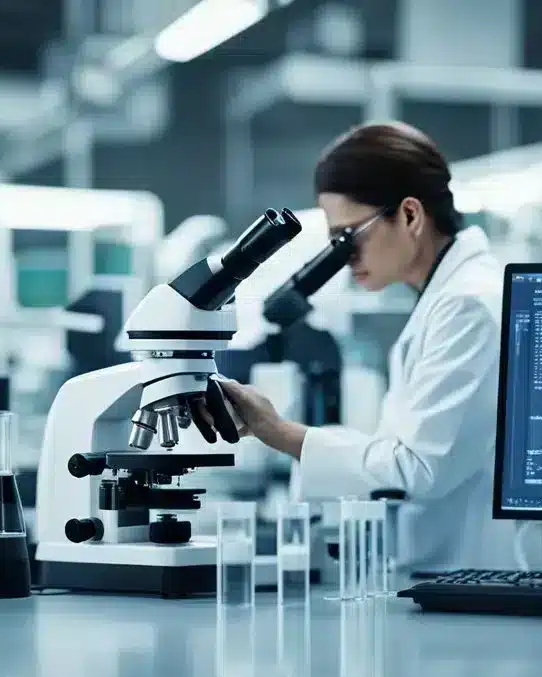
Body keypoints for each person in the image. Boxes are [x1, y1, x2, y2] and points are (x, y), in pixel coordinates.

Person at [206, 121, 513, 573]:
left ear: (410, 216)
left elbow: (417, 469)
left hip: (472, 573)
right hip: (444, 572)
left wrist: (278, 431)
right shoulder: (446, 297)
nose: (343, 259)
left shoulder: (468, 303)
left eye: (349, 237)